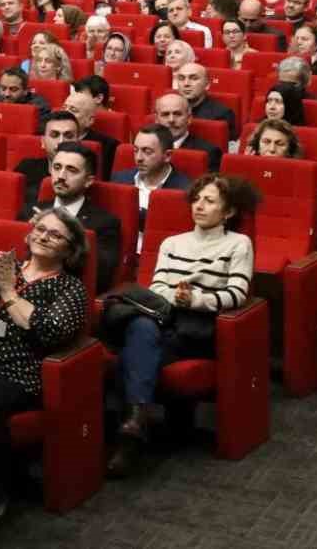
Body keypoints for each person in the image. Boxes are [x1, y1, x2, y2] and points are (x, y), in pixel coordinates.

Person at [105, 174, 258, 476]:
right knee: (142, 329)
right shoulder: (172, 243)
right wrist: (176, 296)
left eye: (209, 201)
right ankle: (134, 426)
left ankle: (131, 428)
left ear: (228, 211)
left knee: (131, 351)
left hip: (197, 327)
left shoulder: (238, 244)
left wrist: (195, 300)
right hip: (164, 317)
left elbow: (237, 293)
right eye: (197, 199)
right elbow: (156, 286)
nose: (199, 206)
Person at [0, 207, 89, 521]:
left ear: (70, 250)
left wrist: (6, 291)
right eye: (40, 229)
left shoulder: (70, 288)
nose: (44, 237)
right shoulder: (6, 268)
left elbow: (50, 330)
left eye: (55, 235)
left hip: (20, 374)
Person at [22, 142, 123, 293]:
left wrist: (68, 233)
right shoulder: (28, 212)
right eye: (57, 167)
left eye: (71, 170)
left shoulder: (105, 223)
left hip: (66, 294)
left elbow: (100, 277)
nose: (61, 176)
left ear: (88, 181)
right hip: (23, 286)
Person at [14, 111, 83, 199]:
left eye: (68, 136)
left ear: (78, 142)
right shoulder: (26, 168)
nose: (61, 141)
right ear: (43, 141)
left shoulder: (84, 174)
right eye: (54, 135)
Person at [153, 92, 223, 171]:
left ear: (189, 118)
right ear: (156, 119)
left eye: (177, 114)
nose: (171, 120)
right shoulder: (146, 146)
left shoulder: (209, 153)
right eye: (165, 114)